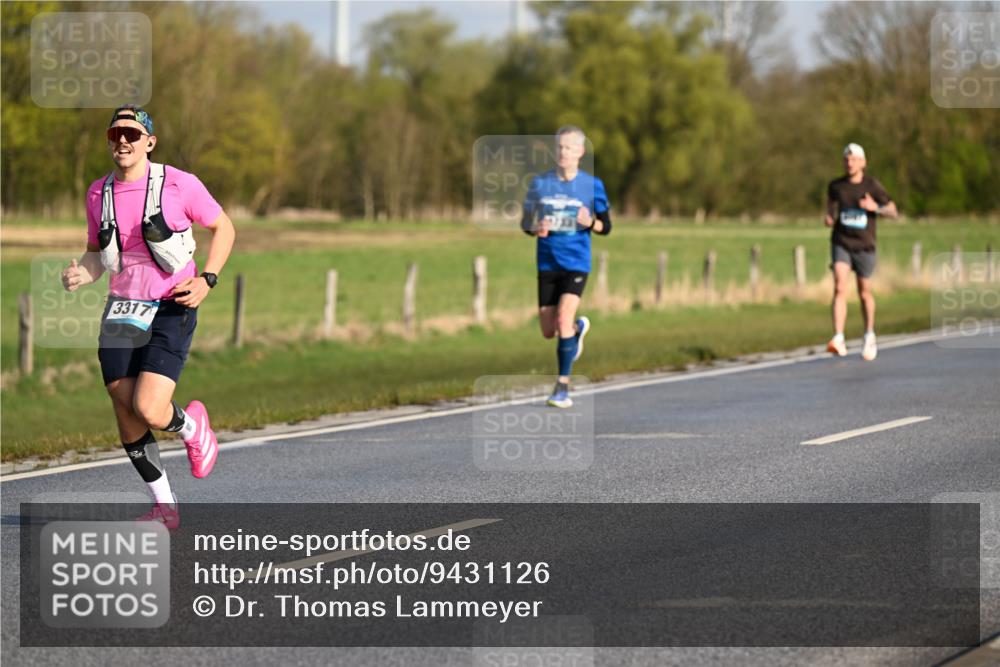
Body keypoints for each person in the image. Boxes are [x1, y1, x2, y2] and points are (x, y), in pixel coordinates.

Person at [61, 104, 235, 528]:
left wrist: (207, 279)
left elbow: (224, 227)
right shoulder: (97, 193)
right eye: (116, 134)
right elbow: (97, 253)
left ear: (149, 143)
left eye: (132, 135)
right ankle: (165, 506)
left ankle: (192, 429)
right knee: (124, 408)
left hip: (174, 302)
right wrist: (81, 273)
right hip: (123, 306)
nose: (123, 141)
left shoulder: (179, 184)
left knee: (151, 408)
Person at [521, 126, 612, 408]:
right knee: (549, 330)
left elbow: (606, 227)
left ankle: (562, 387)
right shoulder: (540, 184)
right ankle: (577, 329)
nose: (563, 152)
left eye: (570, 148)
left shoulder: (591, 185)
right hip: (547, 262)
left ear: (581, 152)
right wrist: (536, 227)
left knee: (562, 321)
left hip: (576, 263)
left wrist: (590, 223)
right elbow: (525, 223)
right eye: (560, 147)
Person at [824, 143, 898, 361]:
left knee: (864, 292)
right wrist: (828, 217)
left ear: (863, 163)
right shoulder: (836, 186)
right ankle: (838, 337)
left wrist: (875, 208)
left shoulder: (872, 185)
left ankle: (869, 335)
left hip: (865, 245)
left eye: (854, 159)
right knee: (839, 286)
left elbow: (894, 212)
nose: (850, 163)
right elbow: (830, 208)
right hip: (842, 242)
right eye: (847, 159)